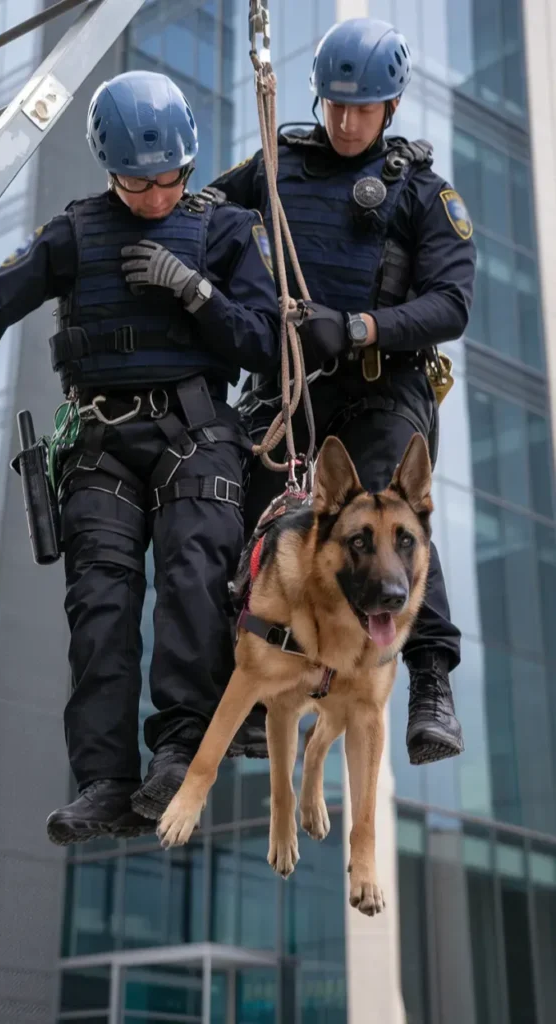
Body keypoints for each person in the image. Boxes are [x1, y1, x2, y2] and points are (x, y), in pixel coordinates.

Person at [0, 70, 280, 842]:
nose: (156, 196)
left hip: (194, 434)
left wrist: (196, 292)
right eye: (137, 183)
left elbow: (264, 341)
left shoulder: (227, 230)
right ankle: (104, 779)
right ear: (108, 168)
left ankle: (178, 751)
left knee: (195, 583)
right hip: (100, 446)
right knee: (98, 609)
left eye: (169, 181)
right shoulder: (75, 231)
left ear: (188, 165)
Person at [211, 18, 477, 766]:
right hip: (286, 395)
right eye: (334, 106)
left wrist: (358, 327)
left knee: (393, 517)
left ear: (391, 108)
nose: (346, 121)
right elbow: (196, 218)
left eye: (362, 109)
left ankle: (429, 683)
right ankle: (239, 681)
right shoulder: (273, 167)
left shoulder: (423, 194)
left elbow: (450, 305)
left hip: (377, 388)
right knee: (224, 518)